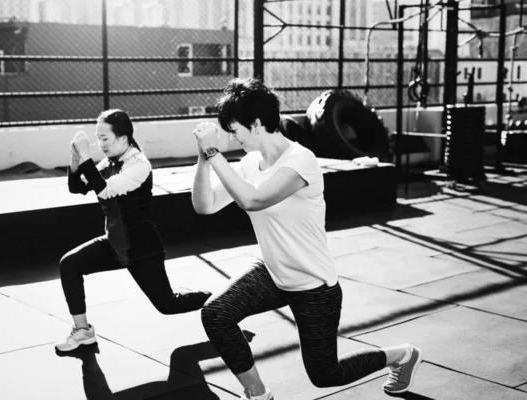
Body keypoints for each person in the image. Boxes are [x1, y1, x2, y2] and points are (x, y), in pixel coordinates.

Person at [191, 78, 423, 400]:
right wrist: (204, 158)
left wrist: (215, 152)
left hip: (313, 285)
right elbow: (205, 206)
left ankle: (402, 355)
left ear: (257, 124)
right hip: (272, 272)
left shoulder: (301, 161)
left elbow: (254, 200)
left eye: (235, 130)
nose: (233, 138)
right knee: (215, 313)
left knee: (326, 375)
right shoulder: (248, 164)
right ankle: (258, 394)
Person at [55, 109, 211, 352]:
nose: (100, 144)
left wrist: (87, 157)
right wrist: (76, 159)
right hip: (115, 243)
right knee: (69, 264)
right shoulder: (109, 163)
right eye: (98, 138)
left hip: (142, 247)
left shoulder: (139, 165)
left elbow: (105, 189)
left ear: (124, 138)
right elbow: (77, 188)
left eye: (104, 138)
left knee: (167, 304)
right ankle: (83, 330)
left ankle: (218, 298)